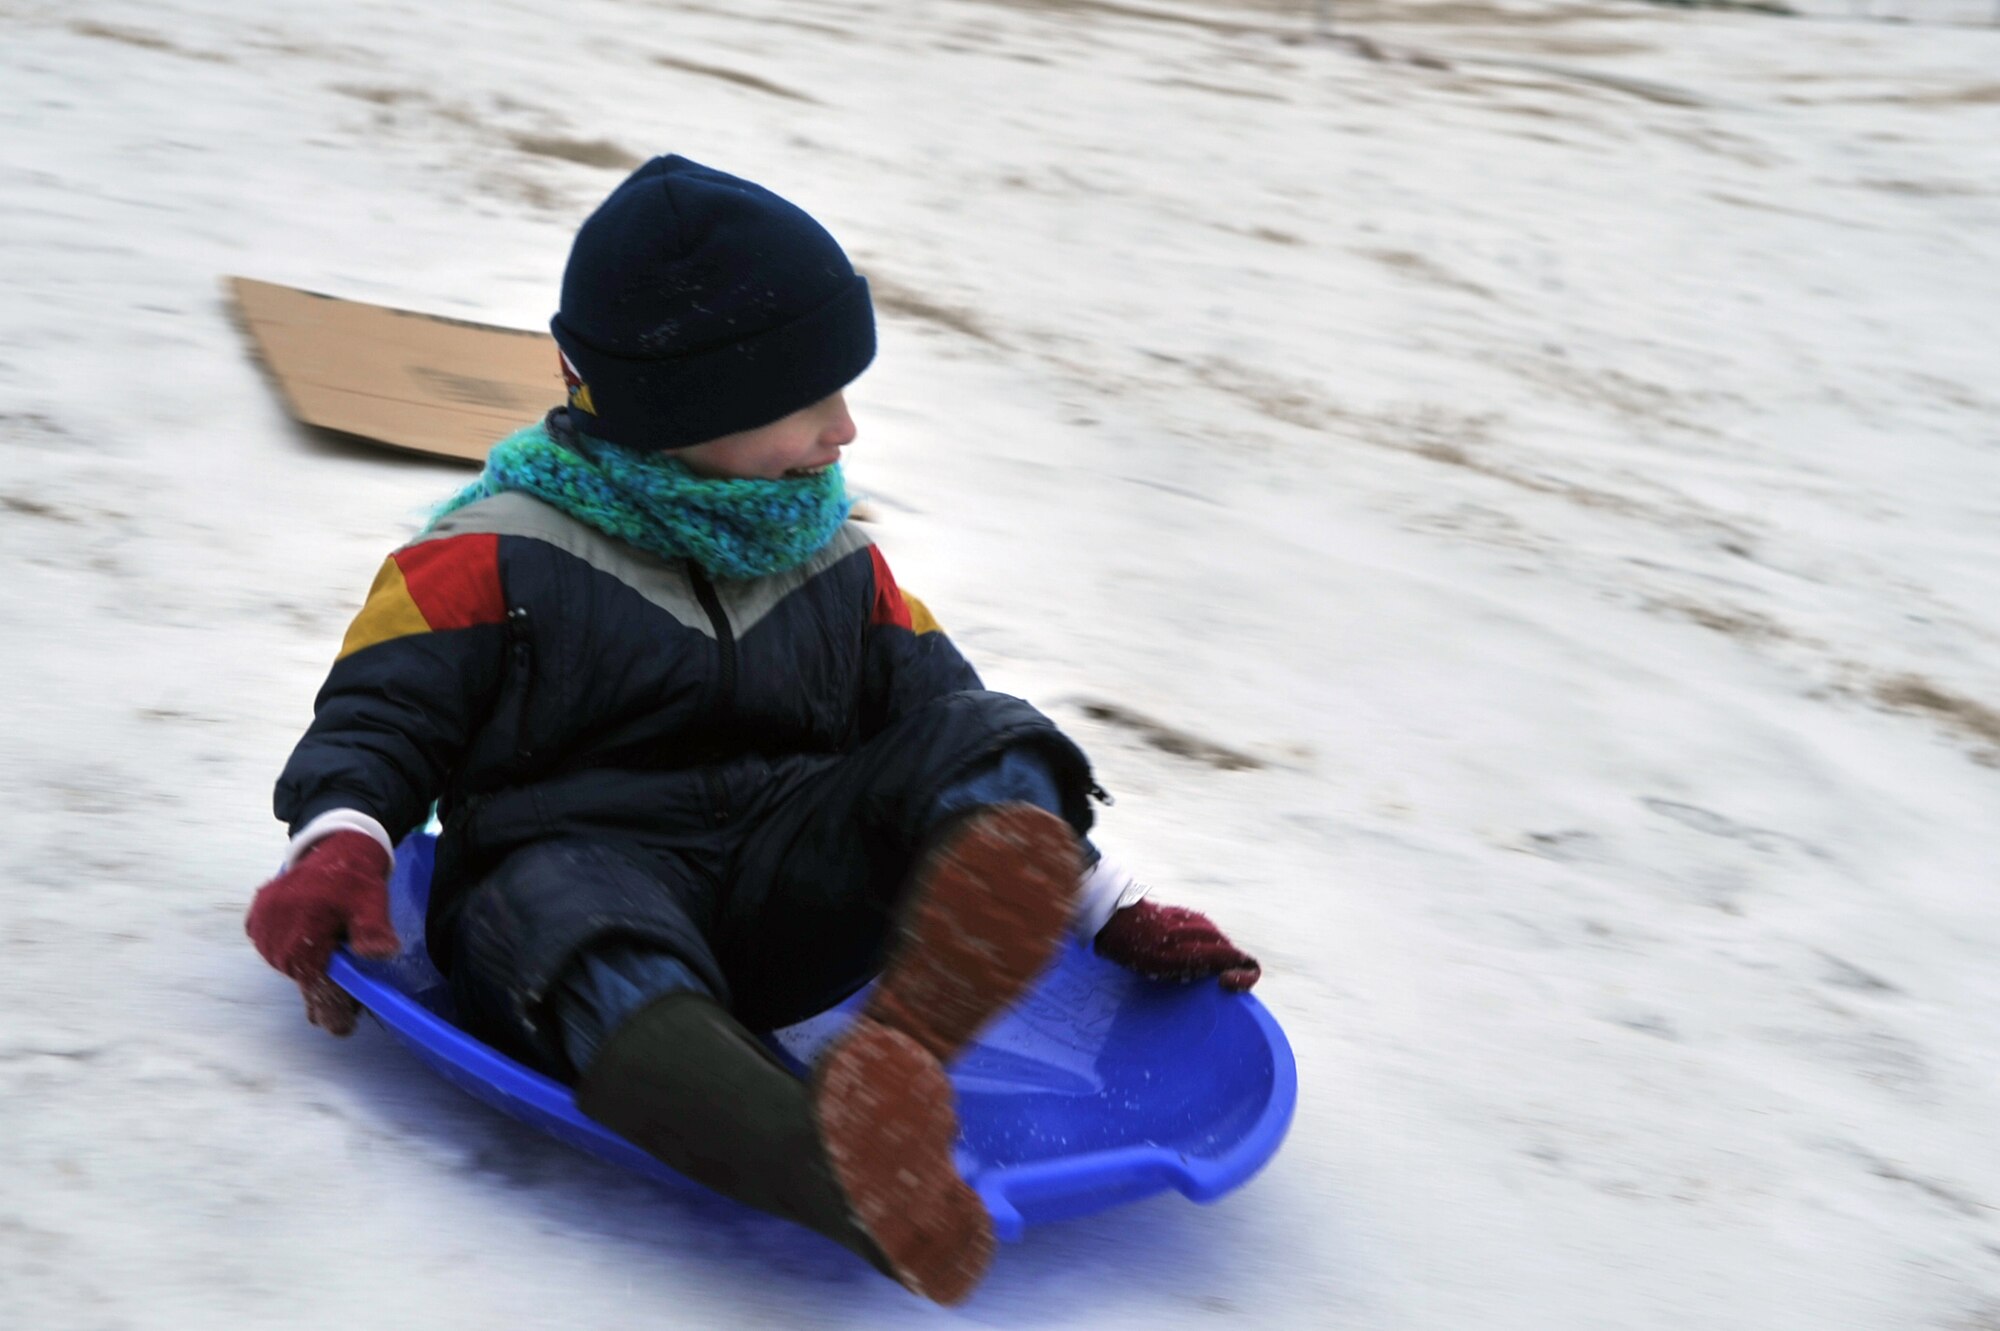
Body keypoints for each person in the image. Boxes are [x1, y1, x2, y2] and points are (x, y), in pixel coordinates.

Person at [245, 155, 1259, 1305]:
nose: (845, 429)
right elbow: (379, 712)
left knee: (986, 725)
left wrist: (1111, 903)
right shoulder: (487, 551)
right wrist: (340, 839)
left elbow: (951, 734)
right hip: (581, 878)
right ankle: (829, 1160)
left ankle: (906, 1046)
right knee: (550, 910)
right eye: (807, 399)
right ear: (685, 405)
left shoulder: (838, 558)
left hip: (788, 886)